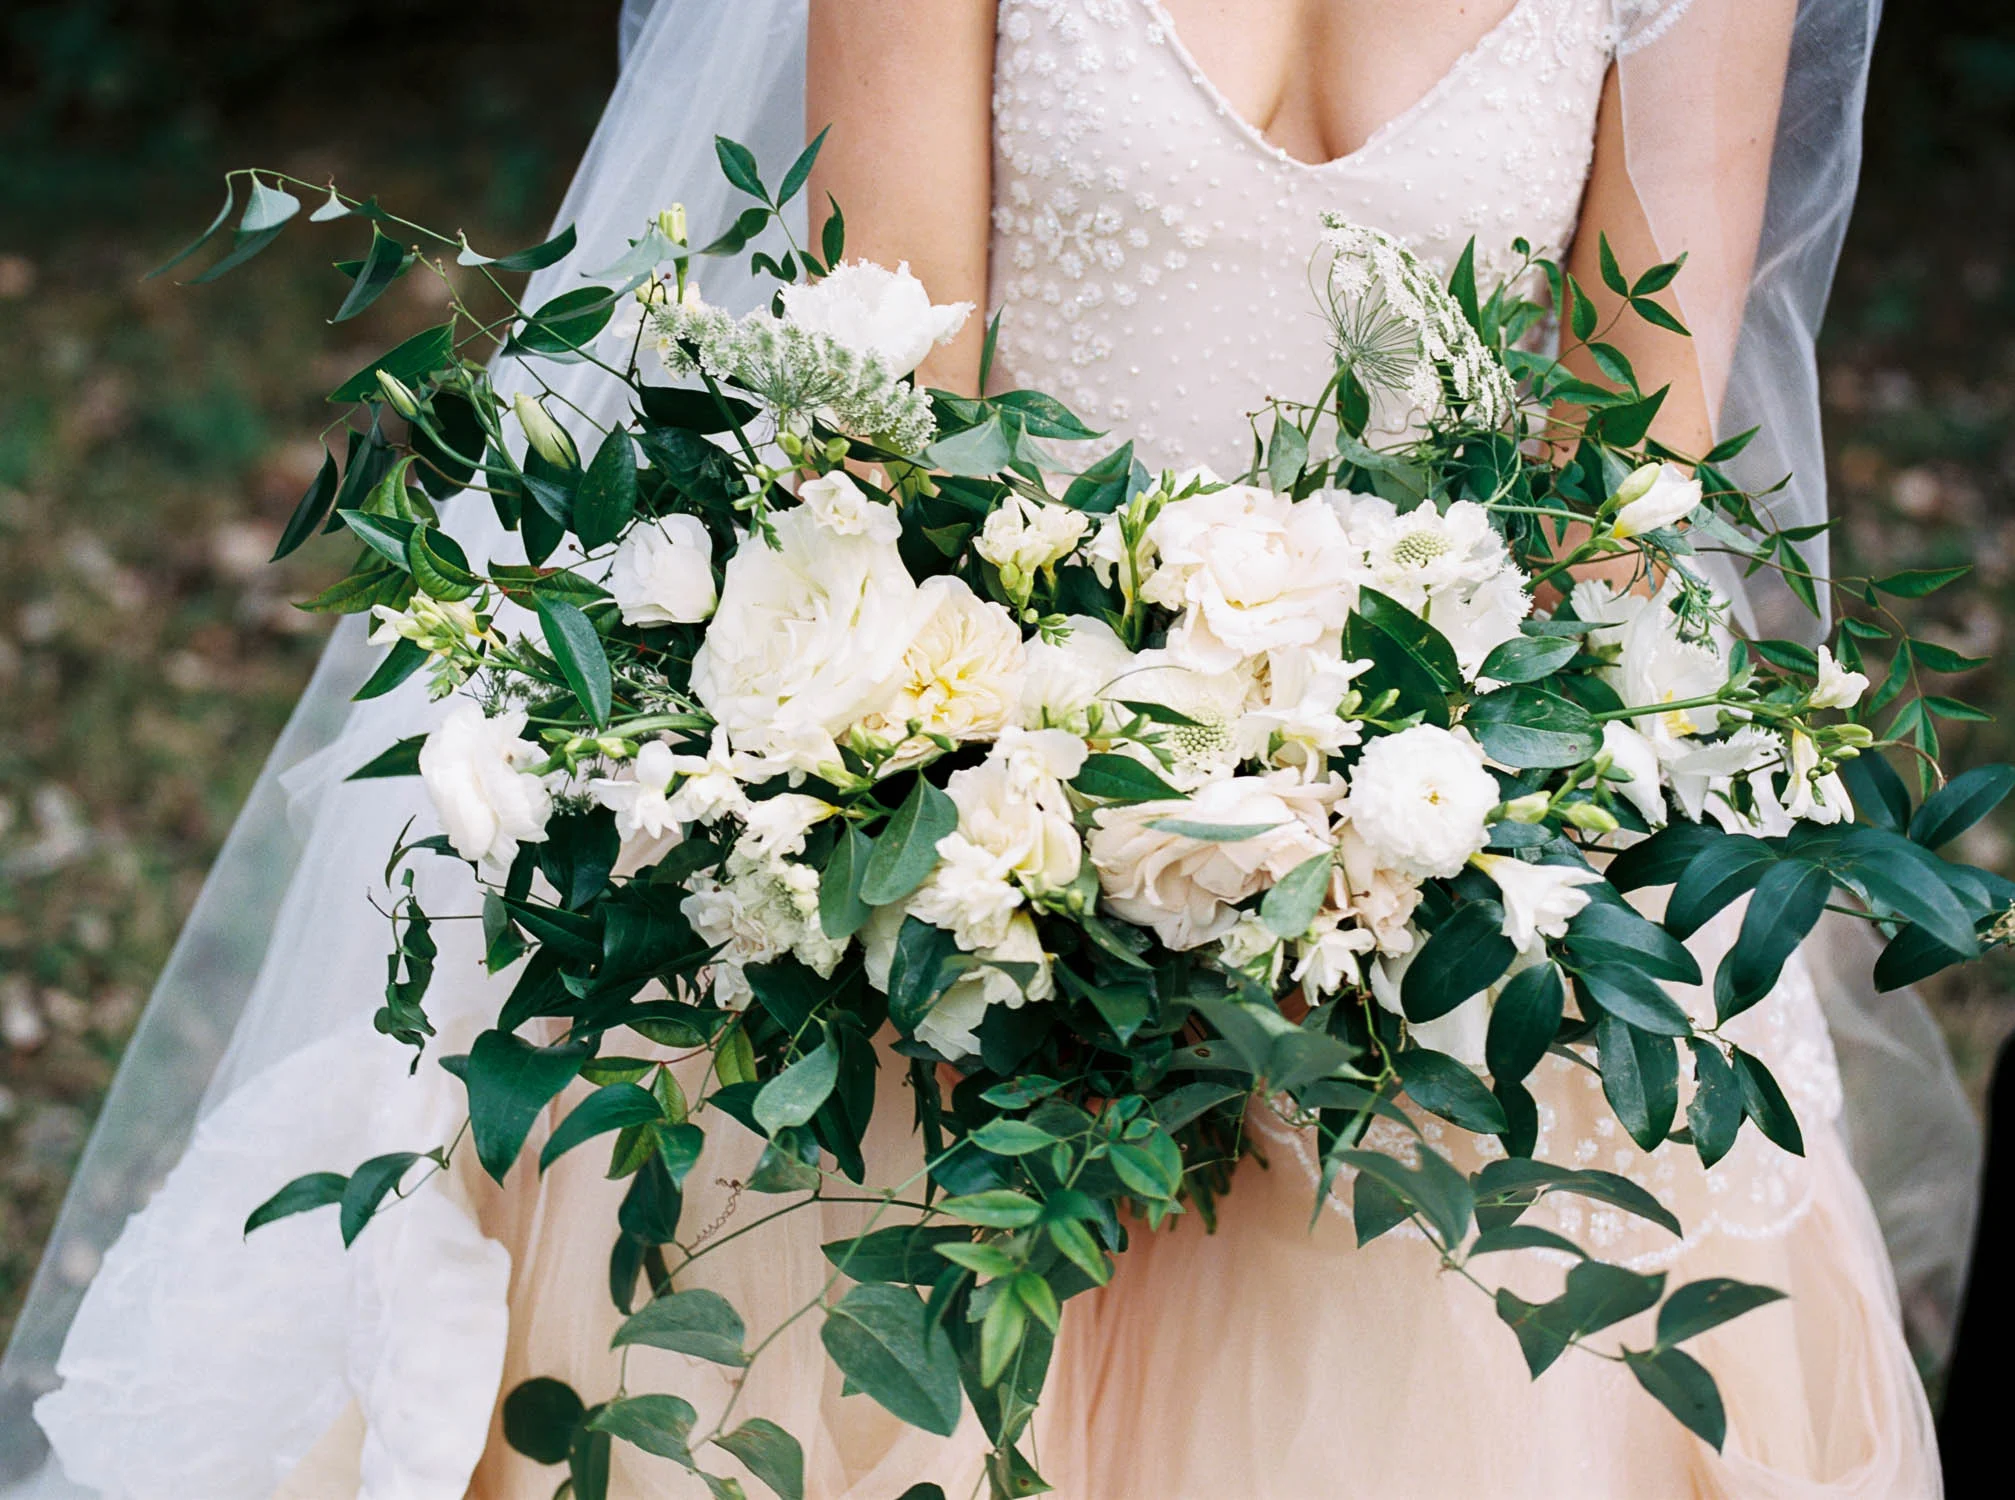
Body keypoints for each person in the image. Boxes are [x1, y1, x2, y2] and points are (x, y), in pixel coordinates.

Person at [0, 2, 1975, 1496]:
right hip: (946, 787)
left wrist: (1389, 834)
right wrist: (1066, 801)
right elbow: (880, 404)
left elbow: (1623, 473)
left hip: (1443, 858)